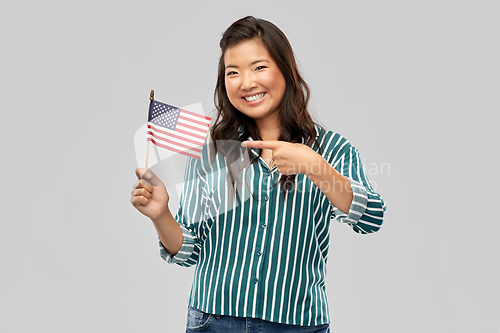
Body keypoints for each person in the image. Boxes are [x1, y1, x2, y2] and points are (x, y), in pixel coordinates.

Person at [131, 16, 386, 333]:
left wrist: (313, 165)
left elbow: (371, 217)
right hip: (213, 320)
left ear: (285, 71)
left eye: (259, 67)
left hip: (295, 324)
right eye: (233, 72)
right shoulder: (213, 151)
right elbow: (190, 250)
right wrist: (161, 215)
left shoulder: (331, 149)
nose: (246, 82)